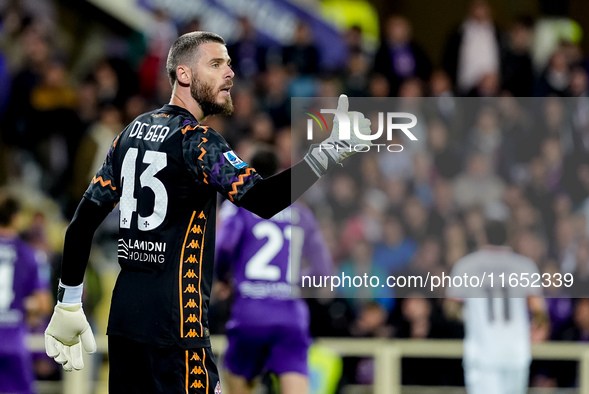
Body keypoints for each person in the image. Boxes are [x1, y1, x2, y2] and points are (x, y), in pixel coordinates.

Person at [43, 31, 372, 393]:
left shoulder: (130, 133)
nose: (229, 73)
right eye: (216, 64)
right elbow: (262, 200)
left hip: (125, 326)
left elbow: (81, 222)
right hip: (177, 327)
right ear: (183, 75)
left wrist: (69, 302)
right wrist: (323, 155)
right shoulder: (196, 142)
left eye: (229, 64)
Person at [215, 148, 332, 394]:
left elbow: (224, 245)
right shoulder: (302, 214)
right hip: (290, 315)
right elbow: (323, 272)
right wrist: (290, 281)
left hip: (250, 312)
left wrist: (222, 277)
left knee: (237, 382)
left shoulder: (239, 207)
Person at [447, 220, 548, 394]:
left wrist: (469, 316)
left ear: (483, 236)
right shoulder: (524, 266)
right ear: (507, 237)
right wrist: (537, 331)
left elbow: (451, 308)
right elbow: (539, 310)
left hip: (483, 354)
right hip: (516, 353)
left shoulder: (466, 266)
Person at [0, 192, 52, 394]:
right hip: (13, 342)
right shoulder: (28, 254)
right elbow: (43, 304)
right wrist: (26, 311)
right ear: (16, 218)